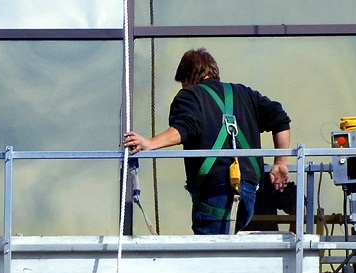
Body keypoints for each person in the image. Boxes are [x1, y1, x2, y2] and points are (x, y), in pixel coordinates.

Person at [123, 48, 292, 235]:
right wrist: (281, 162)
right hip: (249, 194)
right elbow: (281, 119)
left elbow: (186, 128)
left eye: (182, 83)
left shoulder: (190, 95)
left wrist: (150, 143)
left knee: (209, 257)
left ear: (188, 77)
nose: (182, 88)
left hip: (216, 194)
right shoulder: (246, 94)